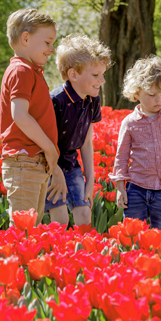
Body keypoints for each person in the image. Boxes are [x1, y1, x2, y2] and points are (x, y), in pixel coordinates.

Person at [109, 56, 161, 230]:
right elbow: (121, 156)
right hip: (136, 188)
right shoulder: (130, 123)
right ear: (136, 93)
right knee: (134, 234)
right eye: (152, 95)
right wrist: (120, 187)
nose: (159, 100)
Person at [44, 34, 111, 227]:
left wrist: (90, 181)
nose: (102, 79)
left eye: (102, 74)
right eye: (96, 75)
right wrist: (54, 171)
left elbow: (87, 142)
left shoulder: (93, 100)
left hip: (72, 166)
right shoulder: (55, 101)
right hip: (50, 167)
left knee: (84, 216)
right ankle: (58, 255)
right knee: (61, 220)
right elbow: (44, 142)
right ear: (73, 75)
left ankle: (84, 255)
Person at [0, 8, 58, 226]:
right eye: (47, 42)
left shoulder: (31, 71)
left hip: (33, 161)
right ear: (26, 38)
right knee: (23, 233)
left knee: (30, 232)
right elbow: (20, 116)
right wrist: (50, 148)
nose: (52, 49)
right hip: (25, 160)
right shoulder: (21, 71)